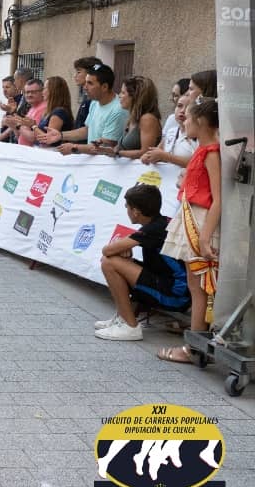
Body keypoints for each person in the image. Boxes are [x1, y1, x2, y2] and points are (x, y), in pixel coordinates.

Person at [156, 98, 221, 365]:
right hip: (192, 215)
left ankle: (193, 346)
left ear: (201, 121)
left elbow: (218, 198)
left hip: (201, 221)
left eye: (190, 119)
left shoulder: (212, 153)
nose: (185, 123)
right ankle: (198, 343)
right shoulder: (203, 150)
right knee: (197, 286)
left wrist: (205, 237)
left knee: (200, 287)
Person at [94, 184, 189, 341]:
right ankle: (123, 318)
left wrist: (121, 249)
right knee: (118, 261)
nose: (126, 209)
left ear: (136, 212)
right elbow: (118, 247)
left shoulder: (153, 229)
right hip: (171, 285)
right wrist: (123, 249)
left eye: (127, 206)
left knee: (109, 262)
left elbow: (107, 251)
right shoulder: (159, 222)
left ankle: (130, 326)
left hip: (175, 295)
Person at [42, 63, 128, 152]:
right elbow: (87, 130)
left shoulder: (118, 110)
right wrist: (61, 135)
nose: (85, 87)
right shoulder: (95, 102)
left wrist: (75, 148)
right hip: (93, 158)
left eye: (90, 83)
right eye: (86, 82)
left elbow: (106, 144)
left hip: (104, 160)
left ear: (104, 87)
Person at [141, 93, 197, 168]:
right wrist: (148, 157)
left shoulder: (197, 135)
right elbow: (157, 153)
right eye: (179, 106)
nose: (182, 111)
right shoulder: (171, 132)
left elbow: (197, 164)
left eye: (188, 108)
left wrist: (165, 156)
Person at [25, 76, 73, 148]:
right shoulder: (51, 110)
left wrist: (33, 126)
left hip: (52, 152)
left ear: (53, 91)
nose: (42, 92)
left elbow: (48, 140)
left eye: (44, 88)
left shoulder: (59, 112)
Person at [71, 56, 102, 129]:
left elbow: (88, 130)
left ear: (90, 73)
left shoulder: (95, 100)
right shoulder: (87, 97)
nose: (75, 76)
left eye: (78, 72)